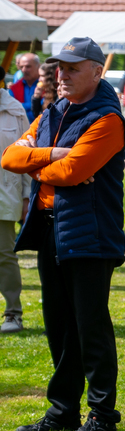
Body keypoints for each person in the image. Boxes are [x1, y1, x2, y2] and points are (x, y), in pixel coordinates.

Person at [2, 37, 125, 431]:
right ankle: (63, 410)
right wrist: (55, 154)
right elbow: (9, 157)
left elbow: (73, 172)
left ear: (97, 72)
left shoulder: (108, 119)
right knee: (58, 325)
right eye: (60, 68)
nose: (62, 75)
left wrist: (39, 163)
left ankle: (103, 416)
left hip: (91, 233)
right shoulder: (52, 112)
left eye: (73, 68)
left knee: (90, 326)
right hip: (51, 229)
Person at [1, 86, 31, 333]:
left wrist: (27, 196)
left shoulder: (15, 110)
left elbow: (27, 156)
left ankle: (13, 313)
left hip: (4, 193)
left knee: (4, 254)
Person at [8, 53, 40, 122]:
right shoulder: (14, 88)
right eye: (21, 67)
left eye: (28, 66)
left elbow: (47, 106)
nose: (24, 70)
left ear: (38, 66)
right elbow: (11, 108)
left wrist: (20, 106)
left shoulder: (46, 86)